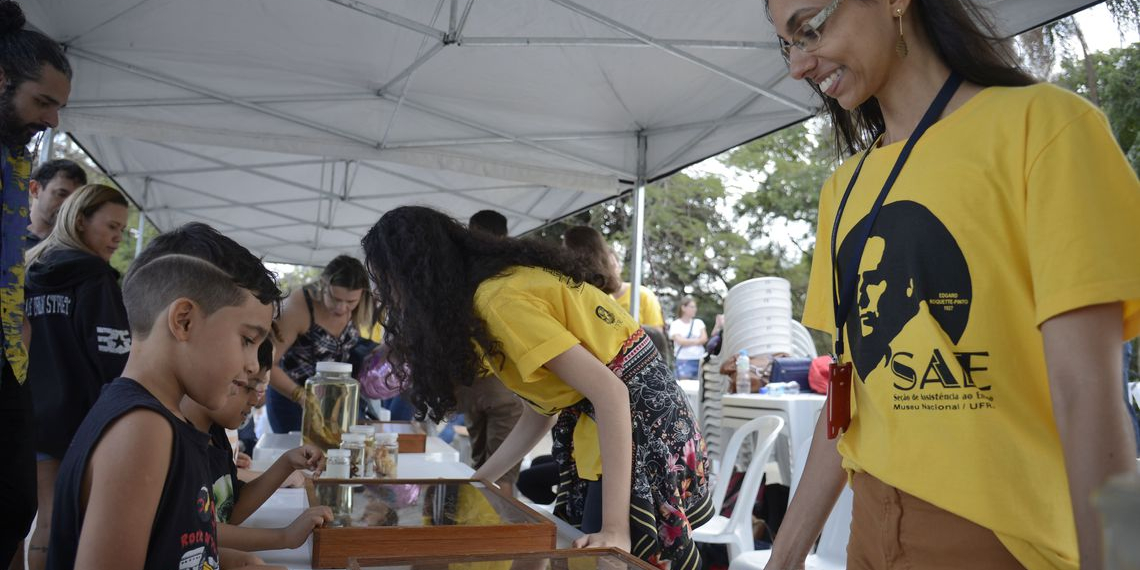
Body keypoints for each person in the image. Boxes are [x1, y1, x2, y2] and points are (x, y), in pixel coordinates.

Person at [764, 1, 1140, 569]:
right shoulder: (843, 189)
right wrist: (783, 559)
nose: (799, 67)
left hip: (1002, 542)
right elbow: (849, 400)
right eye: (786, 45)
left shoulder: (1045, 128)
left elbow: (1088, 395)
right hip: (867, 533)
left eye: (810, 27)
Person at [362, 206, 712, 570]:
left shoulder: (498, 301)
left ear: (415, 274)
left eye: (386, 281)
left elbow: (612, 393)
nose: (385, 295)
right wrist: (480, 480)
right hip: (629, 422)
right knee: (570, 553)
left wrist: (615, 529)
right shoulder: (493, 295)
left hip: (641, 425)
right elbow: (543, 410)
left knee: (604, 559)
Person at [45, 227, 281, 569]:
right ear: (183, 321)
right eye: (247, 340)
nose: (250, 364)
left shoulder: (167, 423)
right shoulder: (143, 429)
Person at [23, 184, 130, 570]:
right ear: (81, 220)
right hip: (84, 418)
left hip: (31, 411)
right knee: (82, 523)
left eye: (122, 230)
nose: (118, 238)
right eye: (112, 227)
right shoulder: (96, 278)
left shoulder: (30, 268)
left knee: (47, 520)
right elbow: (114, 355)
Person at [0, 3, 72, 564]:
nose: (52, 121)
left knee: (14, 506)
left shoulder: (13, 154)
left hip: (8, 358)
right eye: (42, 101)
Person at [179, 336, 332, 554]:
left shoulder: (216, 433)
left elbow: (231, 511)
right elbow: (193, 529)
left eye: (260, 388)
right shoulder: (180, 445)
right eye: (247, 386)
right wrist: (284, 536)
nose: (255, 400)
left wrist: (286, 463)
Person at [455, 209, 525, 493]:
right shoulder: (513, 270)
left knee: (482, 466)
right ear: (505, 235)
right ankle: (496, 534)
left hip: (468, 379)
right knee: (502, 474)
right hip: (503, 378)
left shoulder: (460, 271)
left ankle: (482, 531)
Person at [266, 255, 371, 433]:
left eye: (350, 302)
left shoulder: (362, 308)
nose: (341, 308)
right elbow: (267, 362)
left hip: (334, 401)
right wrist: (300, 395)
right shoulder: (297, 307)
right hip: (290, 399)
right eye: (335, 298)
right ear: (323, 284)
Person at [26, 159, 86, 248]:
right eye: (61, 194)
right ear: (35, 189)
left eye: (75, 199)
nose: (69, 205)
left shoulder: (75, 249)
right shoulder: (6, 232)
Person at [668, 297, 707, 380]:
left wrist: (687, 341)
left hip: (700, 360)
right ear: (683, 308)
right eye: (692, 307)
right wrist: (697, 341)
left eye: (695, 307)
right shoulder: (675, 324)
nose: (695, 309)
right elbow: (681, 341)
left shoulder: (699, 323)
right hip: (683, 361)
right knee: (684, 388)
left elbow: (704, 339)